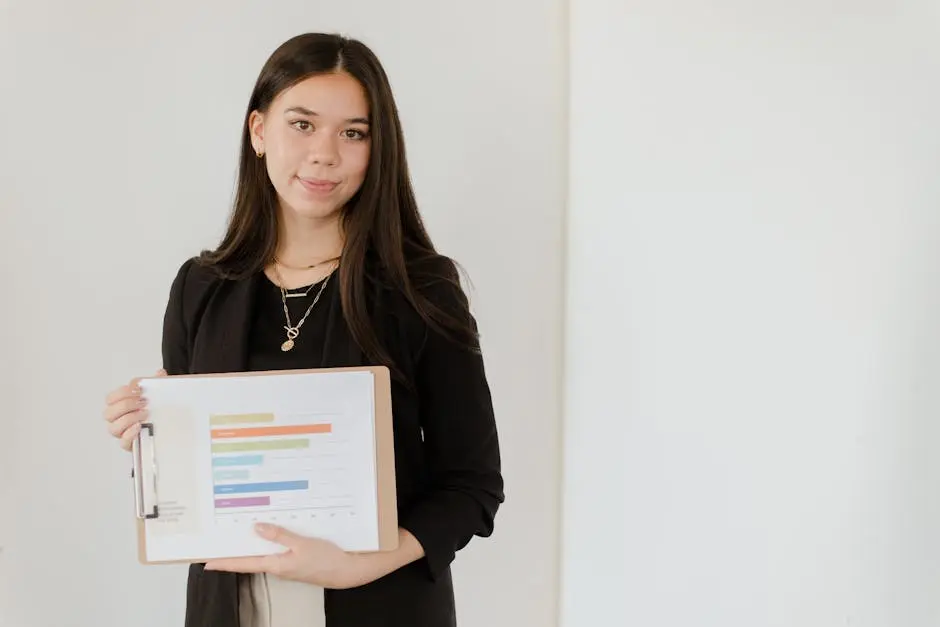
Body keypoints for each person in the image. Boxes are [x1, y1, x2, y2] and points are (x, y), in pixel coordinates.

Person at [101, 32, 504, 627]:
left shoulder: (421, 291)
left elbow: (472, 487)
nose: (325, 154)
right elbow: (192, 488)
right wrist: (149, 439)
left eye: (353, 133)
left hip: (379, 602)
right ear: (259, 132)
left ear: (376, 149)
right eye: (303, 124)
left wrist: (360, 565)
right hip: (229, 608)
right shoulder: (201, 287)